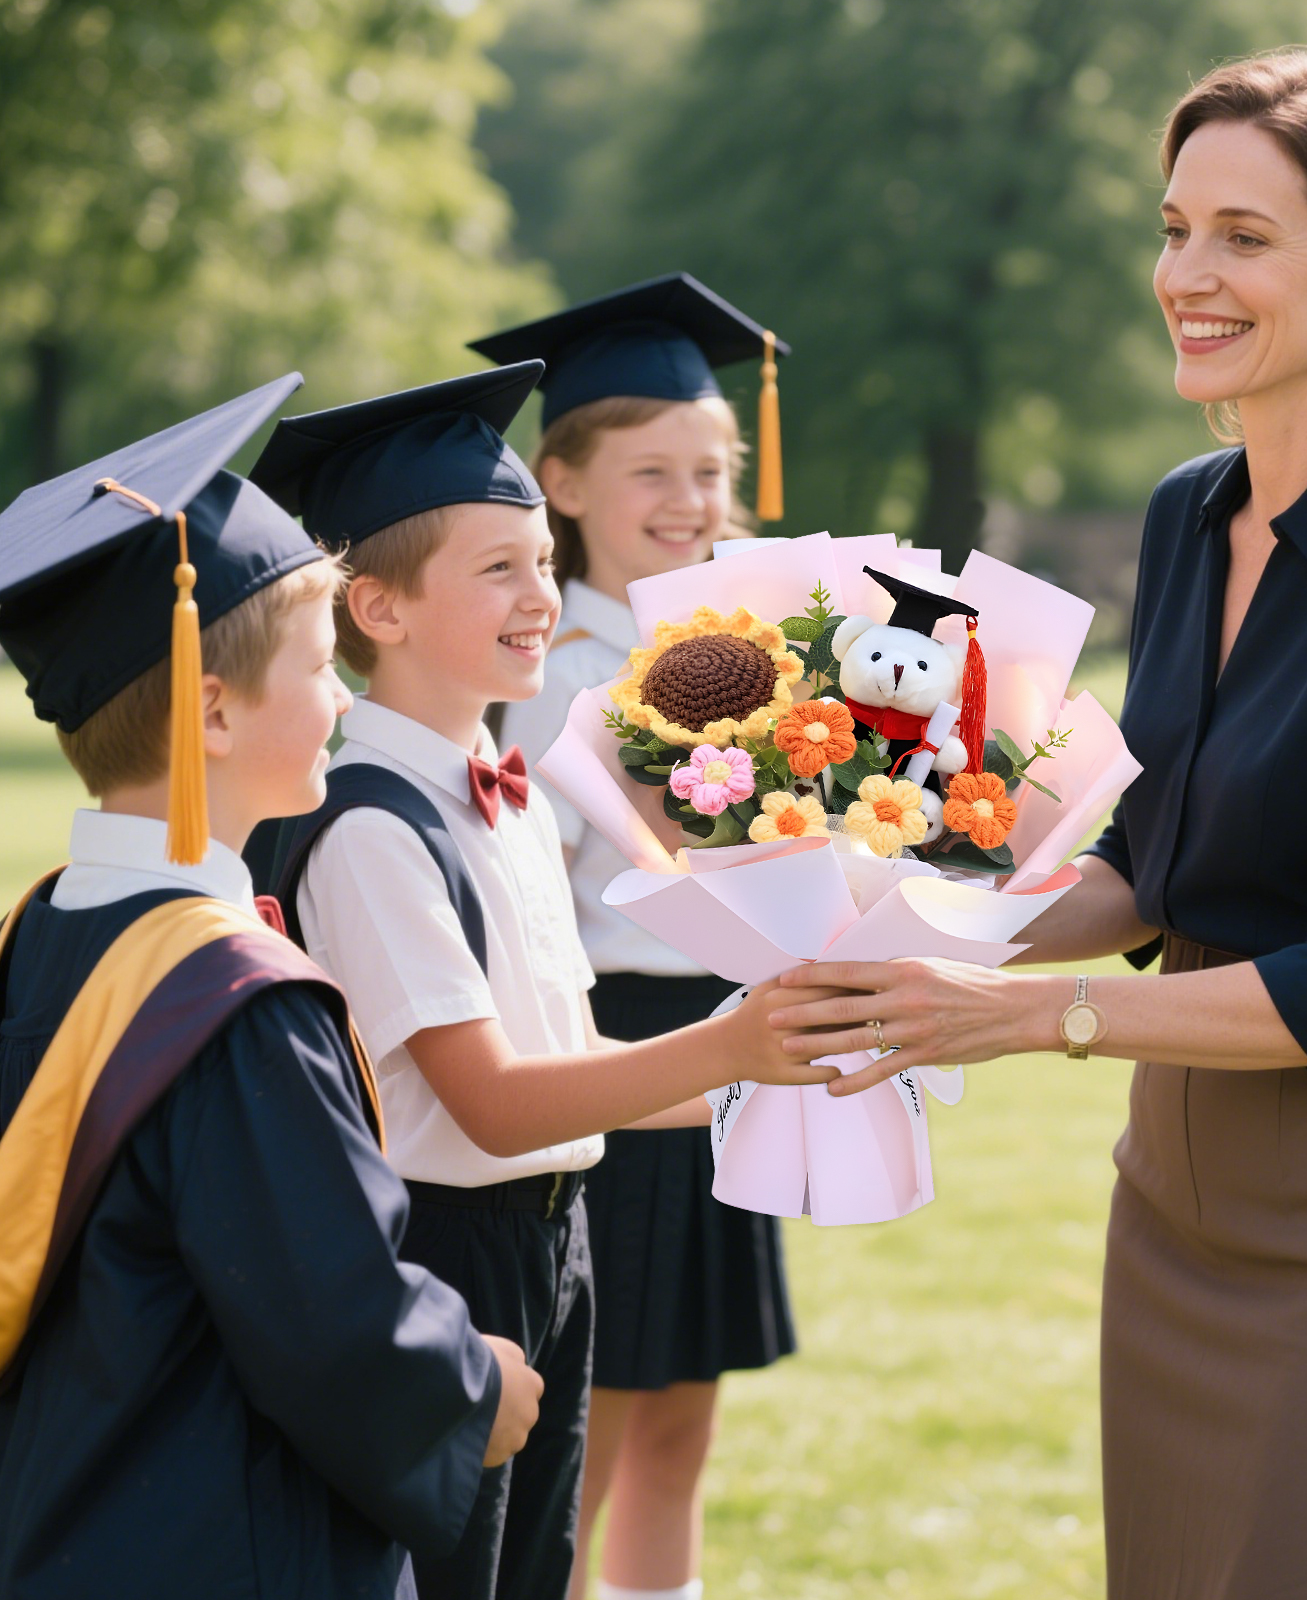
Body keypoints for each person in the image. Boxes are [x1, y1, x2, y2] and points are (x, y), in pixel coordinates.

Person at [767, 49, 1307, 1600]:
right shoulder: (1188, 514)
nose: (1185, 275)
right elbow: (1150, 864)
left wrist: (1013, 1016)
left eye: (1245, 238)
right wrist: (906, 941)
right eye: (1175, 226)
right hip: (1176, 1203)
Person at [248, 364, 840, 1600]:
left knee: (536, 1566)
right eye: (499, 568)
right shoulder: (369, 825)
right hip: (439, 1257)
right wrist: (735, 1048)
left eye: (540, 560)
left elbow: (579, 1076)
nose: (542, 591)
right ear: (381, 609)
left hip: (552, 1242)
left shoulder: (509, 798)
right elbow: (497, 1106)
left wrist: (808, 1064)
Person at [0, 377, 544, 1600]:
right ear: (211, 712)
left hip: (66, 1508)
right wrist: (479, 1384)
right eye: (316, 668)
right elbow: (332, 1314)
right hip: (227, 1536)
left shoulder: (38, 933)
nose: (344, 699)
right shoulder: (234, 998)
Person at [470, 274, 794, 1600]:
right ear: (560, 483)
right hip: (611, 1054)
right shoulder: (547, 674)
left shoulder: (747, 646)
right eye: (651, 471)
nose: (690, 500)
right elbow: (522, 900)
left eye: (712, 471)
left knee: (681, 1429)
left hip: (725, 1043)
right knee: (585, 1433)